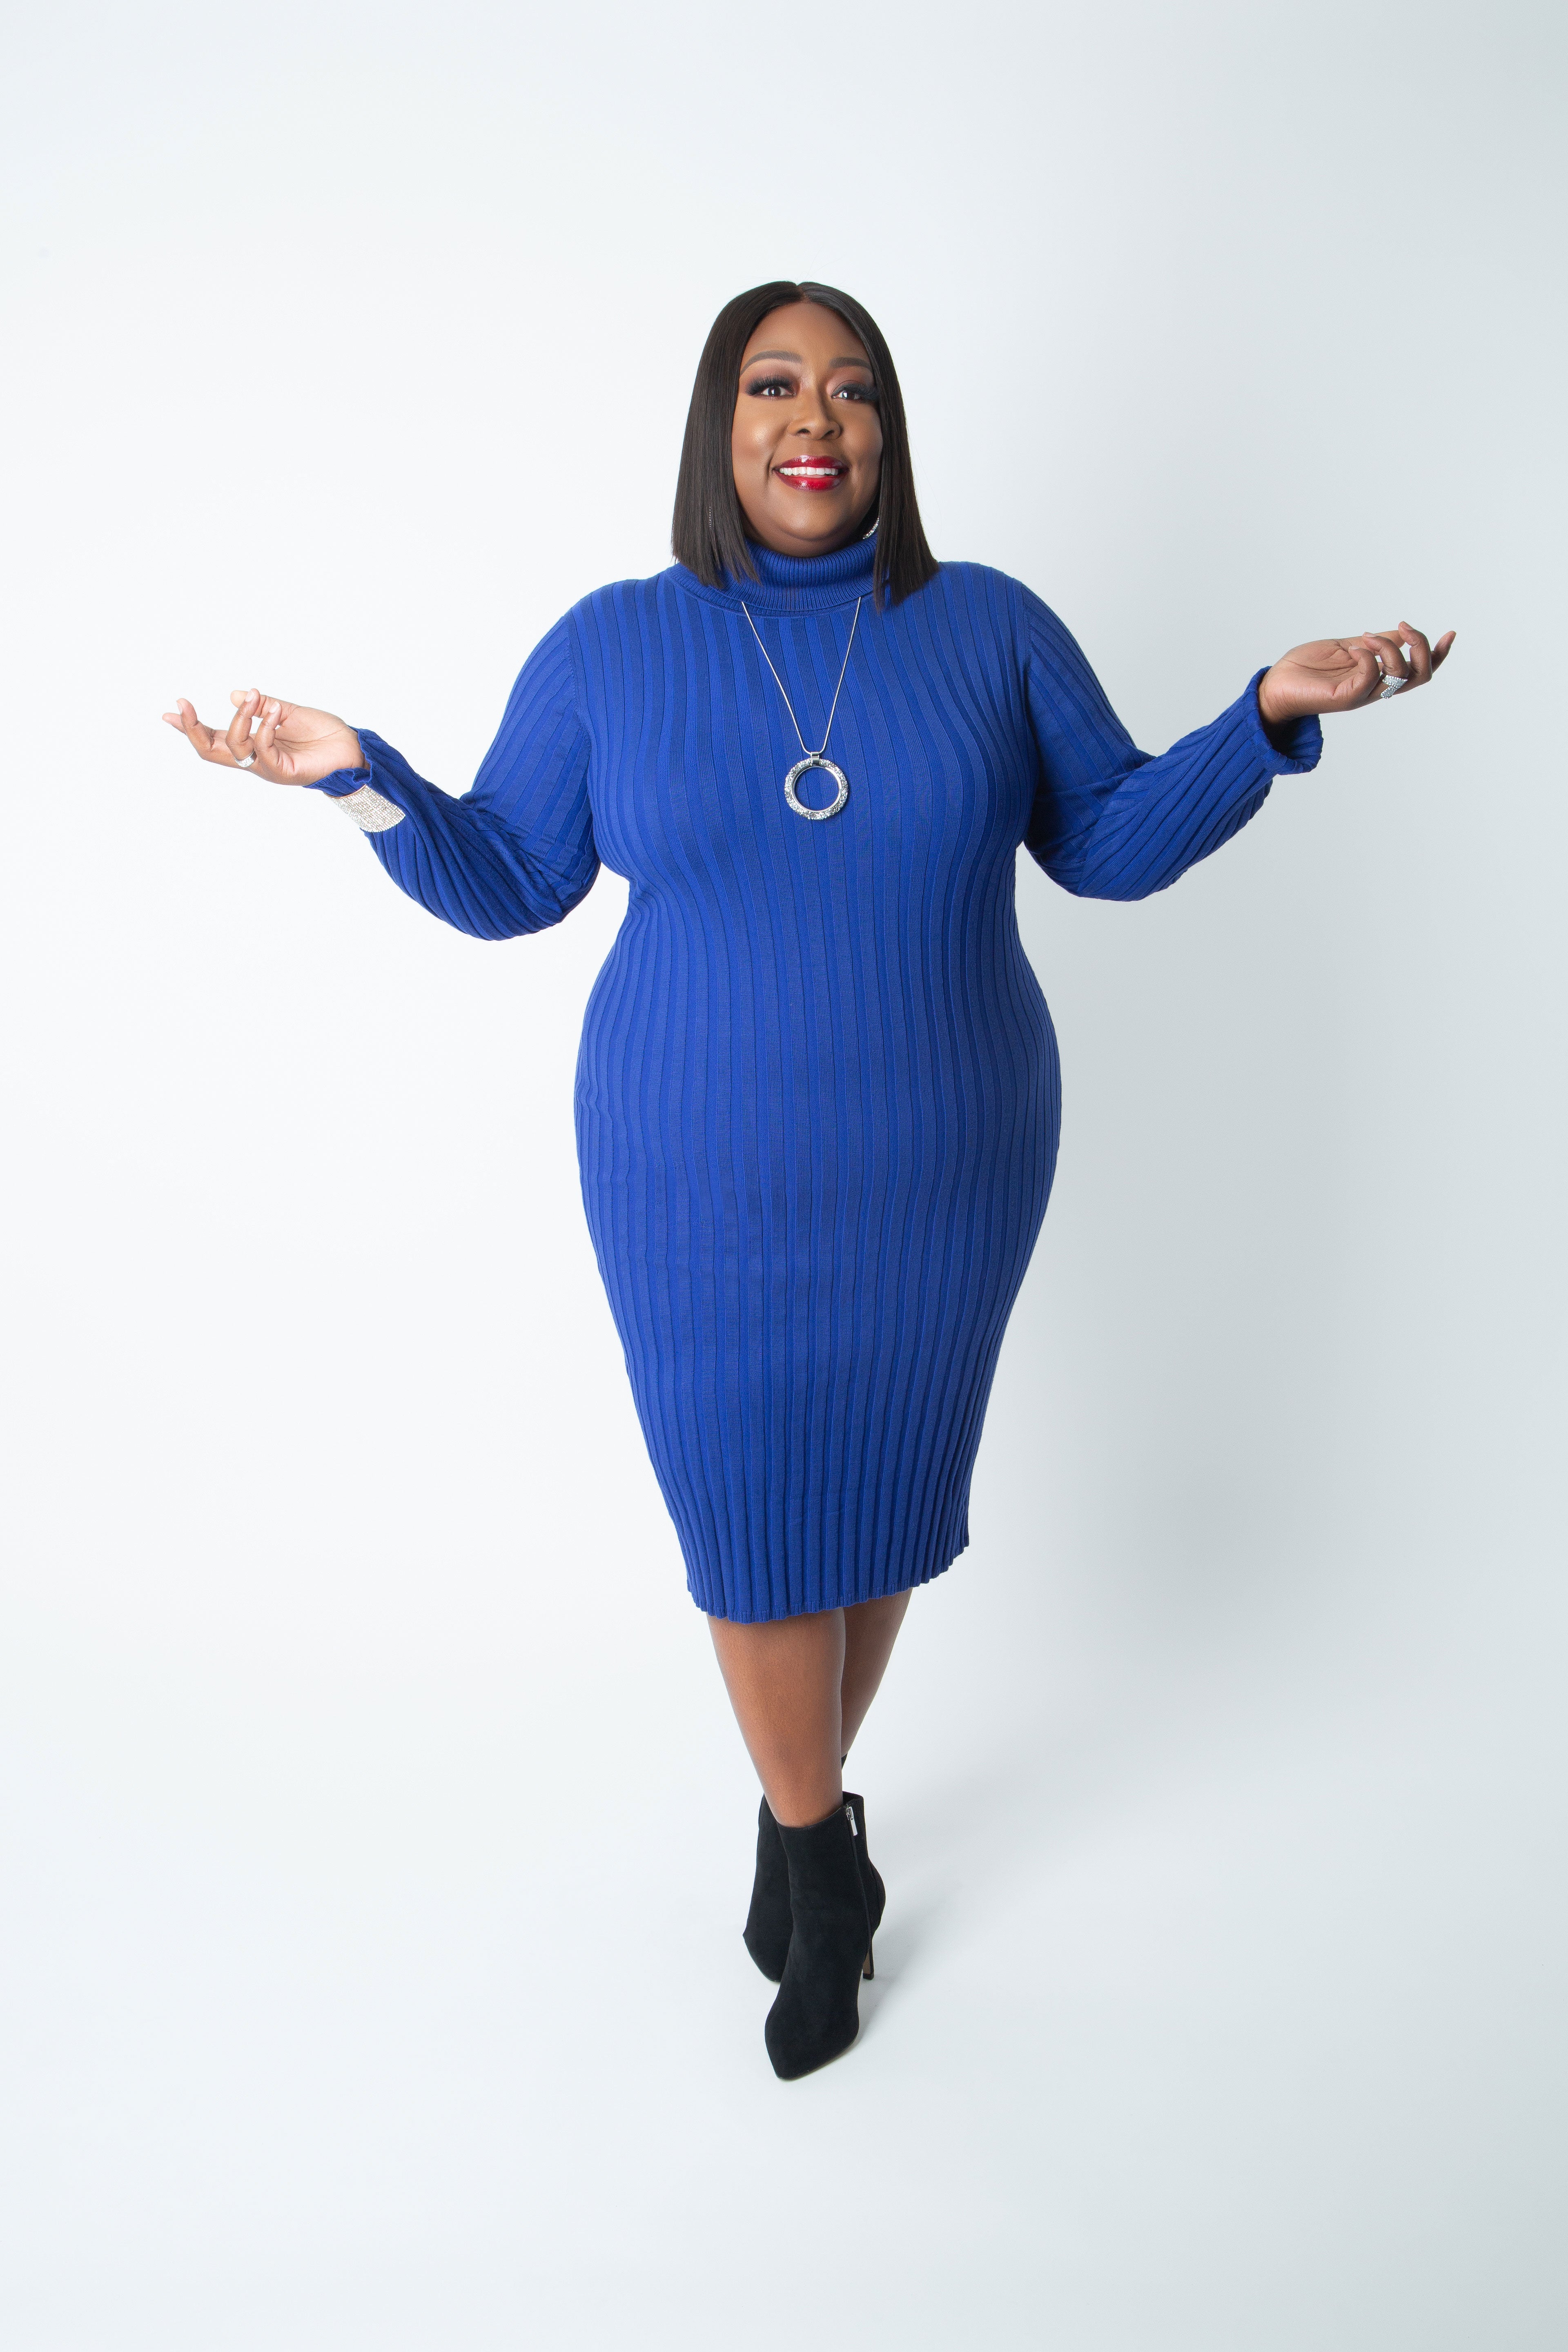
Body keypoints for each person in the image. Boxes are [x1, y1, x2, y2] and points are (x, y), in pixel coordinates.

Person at [164, 279, 1454, 2080]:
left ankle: (802, 1818)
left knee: (877, 1503)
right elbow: (514, 878)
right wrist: (361, 781)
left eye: (852, 389)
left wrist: (1260, 718)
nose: (815, 418)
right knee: (753, 1521)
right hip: (690, 1172)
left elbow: (1106, 842)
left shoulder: (986, 627)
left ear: (886, 431)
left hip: (948, 1167)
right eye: (775, 384)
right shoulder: (614, 646)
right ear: (722, 422)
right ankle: (822, 1862)